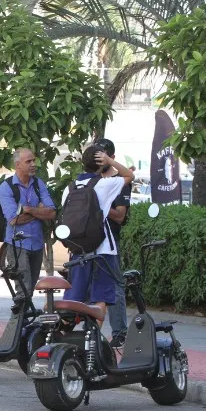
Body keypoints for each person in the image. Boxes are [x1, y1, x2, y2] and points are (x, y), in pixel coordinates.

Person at [62, 144, 135, 323]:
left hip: (78, 249)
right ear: (101, 164)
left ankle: (62, 336)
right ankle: (94, 344)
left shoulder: (70, 188)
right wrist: (110, 160)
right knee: (100, 297)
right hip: (103, 249)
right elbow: (129, 176)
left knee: (73, 298)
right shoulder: (104, 184)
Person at [0, 148, 56, 308]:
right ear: (17, 165)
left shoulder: (38, 184)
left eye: (33, 160)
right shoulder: (6, 187)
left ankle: (23, 329)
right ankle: (16, 330)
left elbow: (51, 212)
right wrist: (39, 210)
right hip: (17, 244)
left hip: (37, 244)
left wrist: (29, 209)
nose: (33, 164)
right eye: (28, 161)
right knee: (23, 292)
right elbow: (14, 220)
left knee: (29, 291)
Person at [96, 138, 133, 348]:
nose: (99, 161)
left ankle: (119, 333)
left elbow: (119, 217)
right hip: (90, 240)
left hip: (110, 241)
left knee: (115, 286)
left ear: (112, 157)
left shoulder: (119, 182)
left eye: (104, 156)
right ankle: (90, 333)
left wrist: (101, 205)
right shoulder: (91, 180)